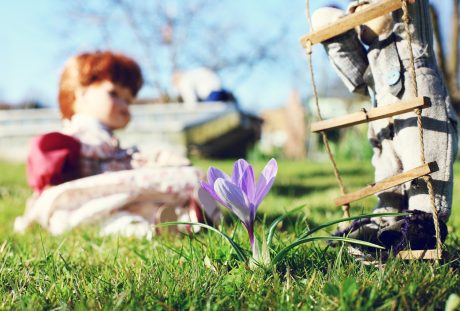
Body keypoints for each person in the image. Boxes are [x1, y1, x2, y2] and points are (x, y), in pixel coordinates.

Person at [14, 51, 220, 238]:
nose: (124, 107)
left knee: (138, 205)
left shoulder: (111, 142)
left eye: (128, 101)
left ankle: (182, 218)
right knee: (89, 217)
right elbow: (46, 163)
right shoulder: (74, 138)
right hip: (84, 196)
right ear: (81, 92)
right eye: (114, 94)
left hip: (118, 196)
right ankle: (152, 224)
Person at [311, 0, 458, 254]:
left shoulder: (411, 41)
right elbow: (356, 76)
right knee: (388, 170)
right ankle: (383, 222)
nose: (359, 9)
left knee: (422, 157)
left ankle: (423, 220)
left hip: (421, 115)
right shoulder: (373, 58)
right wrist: (334, 30)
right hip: (384, 123)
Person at [172, 68, 237, 108]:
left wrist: (190, 110)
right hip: (220, 89)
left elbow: (191, 99)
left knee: (209, 113)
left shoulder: (184, 81)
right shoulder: (192, 73)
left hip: (211, 93)